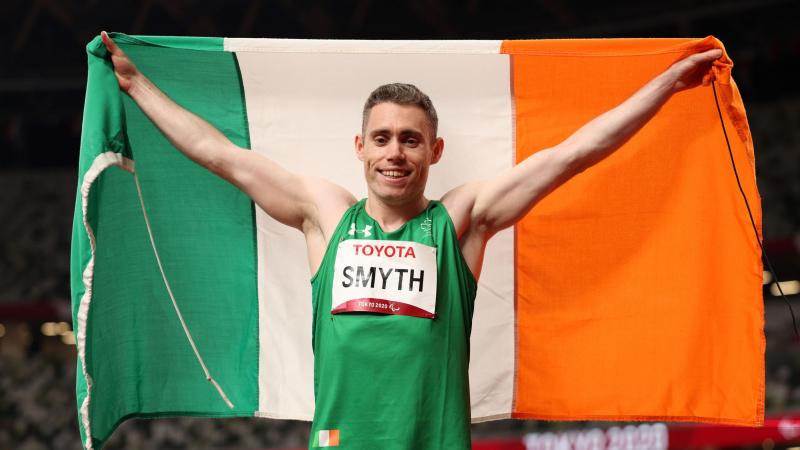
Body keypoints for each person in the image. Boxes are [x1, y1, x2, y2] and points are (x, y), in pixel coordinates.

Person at [100, 31, 722, 450]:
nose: (394, 152)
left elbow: (573, 155)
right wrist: (134, 85)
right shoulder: (324, 215)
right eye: (381, 138)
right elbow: (220, 155)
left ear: (434, 151)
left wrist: (666, 85)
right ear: (360, 148)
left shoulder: (460, 221)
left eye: (410, 139)